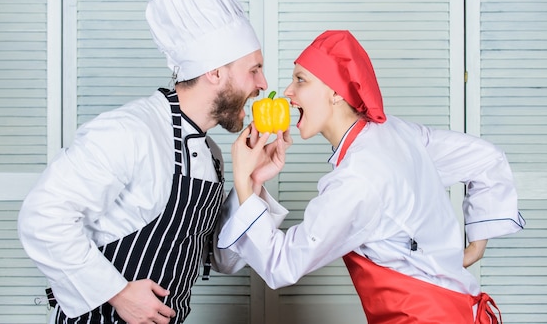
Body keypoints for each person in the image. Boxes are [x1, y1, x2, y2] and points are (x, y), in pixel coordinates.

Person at [219, 30, 526, 323]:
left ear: (337, 93)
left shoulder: (357, 180)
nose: (287, 91)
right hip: (462, 309)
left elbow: (281, 264)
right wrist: (475, 245)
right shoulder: (394, 132)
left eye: (301, 80)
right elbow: (487, 158)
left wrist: (245, 181)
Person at [18, 0, 267, 324]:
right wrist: (117, 293)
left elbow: (221, 260)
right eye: (254, 69)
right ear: (215, 72)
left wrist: (253, 180)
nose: (263, 83)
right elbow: (41, 217)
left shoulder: (211, 155)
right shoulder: (130, 132)